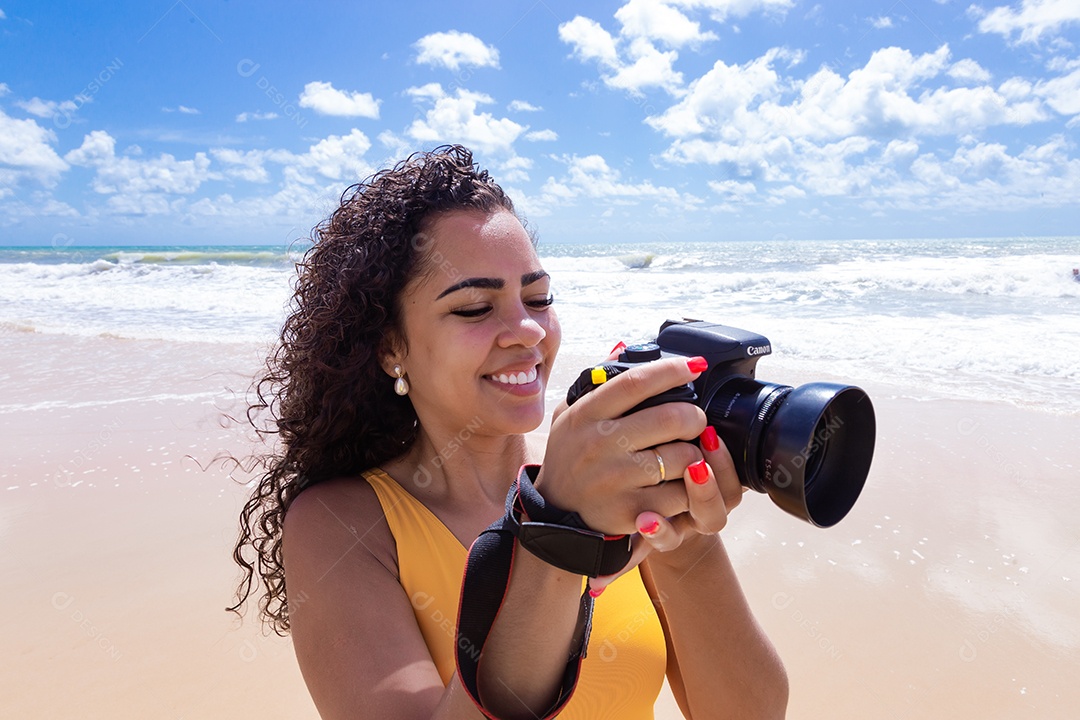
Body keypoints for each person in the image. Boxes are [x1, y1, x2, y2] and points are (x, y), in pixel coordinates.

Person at [229, 145, 788, 719]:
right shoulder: (342, 522)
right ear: (392, 348)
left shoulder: (611, 485)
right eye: (474, 308)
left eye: (538, 298)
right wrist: (557, 529)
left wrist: (682, 529)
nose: (526, 329)